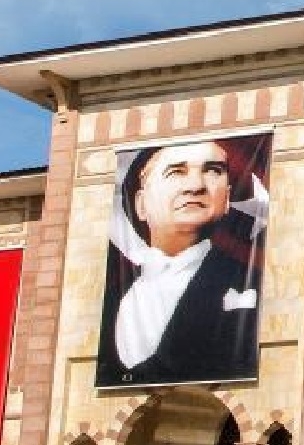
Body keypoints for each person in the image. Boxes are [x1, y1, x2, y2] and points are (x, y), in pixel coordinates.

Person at [96, 137, 267, 386]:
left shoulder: (253, 280)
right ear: (140, 204)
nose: (196, 186)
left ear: (227, 199)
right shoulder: (108, 299)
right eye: (176, 172)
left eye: (212, 171)